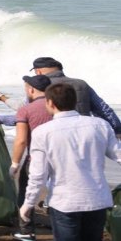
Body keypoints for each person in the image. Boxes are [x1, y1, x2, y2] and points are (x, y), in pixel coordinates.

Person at [19, 83, 119, 241]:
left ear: (50, 102)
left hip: (65, 202)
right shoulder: (100, 125)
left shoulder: (42, 132)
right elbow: (119, 155)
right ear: (74, 101)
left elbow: (38, 175)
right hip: (98, 199)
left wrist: (28, 203)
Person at [7, 75, 52, 241]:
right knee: (57, 191)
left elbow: (21, 140)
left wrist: (14, 163)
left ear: (31, 90)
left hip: (35, 158)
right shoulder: (58, 106)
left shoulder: (26, 109)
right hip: (61, 158)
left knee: (26, 193)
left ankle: (27, 232)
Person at [31, 56, 120, 134]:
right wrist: (117, 130)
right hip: (87, 132)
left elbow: (30, 112)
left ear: (38, 72)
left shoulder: (38, 87)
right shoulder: (81, 84)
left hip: (53, 134)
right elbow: (103, 109)